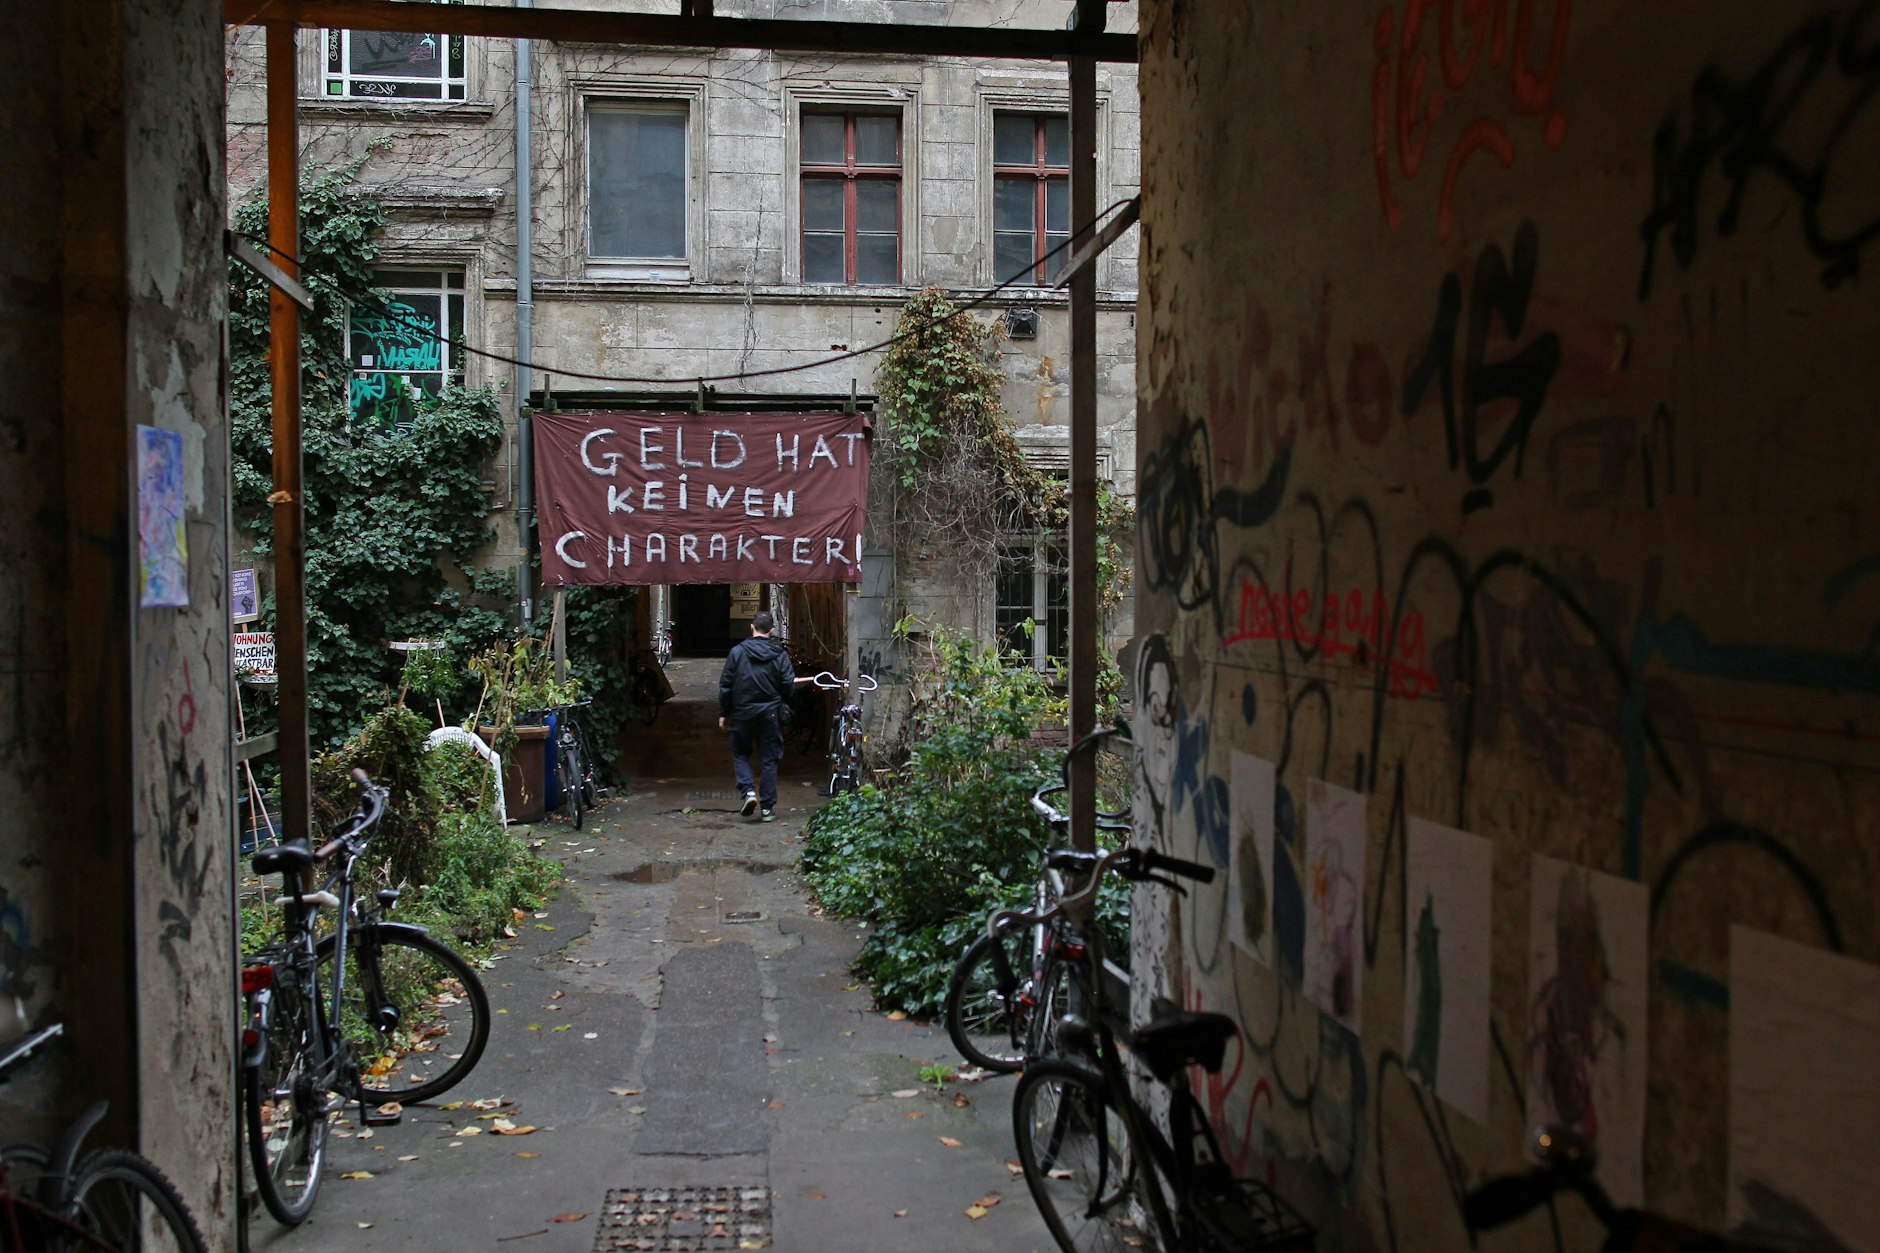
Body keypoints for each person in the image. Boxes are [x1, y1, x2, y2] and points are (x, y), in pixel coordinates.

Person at [718, 610, 796, 821]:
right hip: (770, 713)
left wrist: (724, 712)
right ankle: (768, 808)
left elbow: (726, 685)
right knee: (769, 760)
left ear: (751, 627)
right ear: (771, 630)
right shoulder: (780, 655)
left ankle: (748, 792)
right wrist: (782, 700)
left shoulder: (737, 652)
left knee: (741, 753)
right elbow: (789, 683)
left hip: (743, 713)